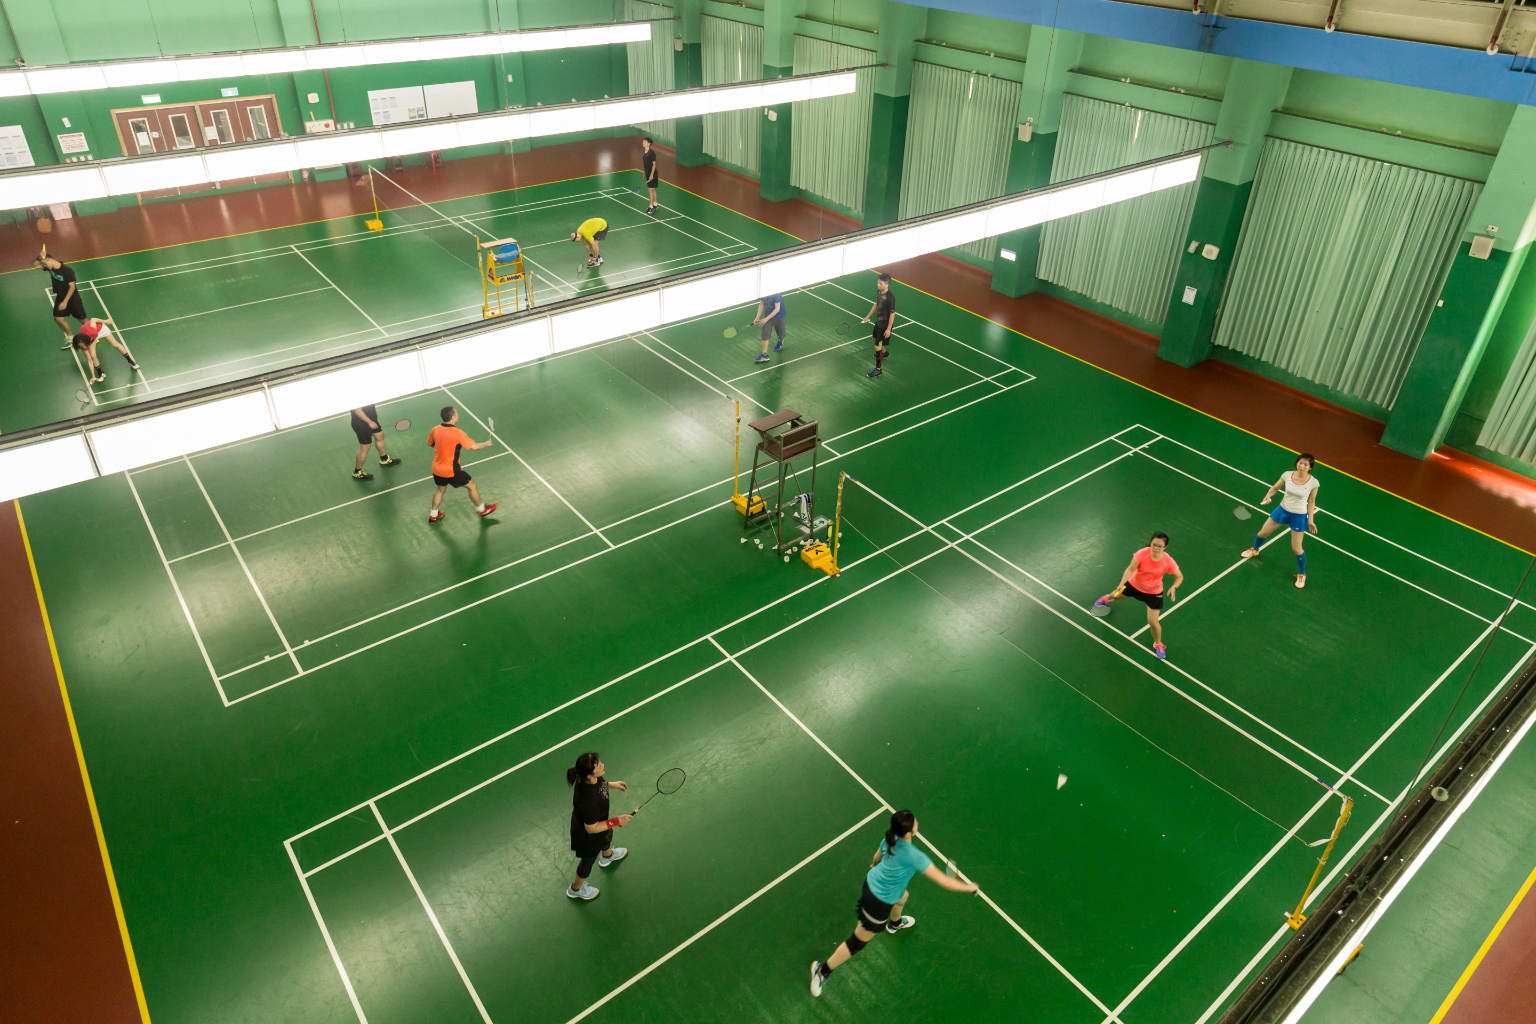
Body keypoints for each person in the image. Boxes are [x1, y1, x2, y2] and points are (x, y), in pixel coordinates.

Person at [810, 809, 977, 997]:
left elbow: (876, 858)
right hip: (878, 902)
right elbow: (945, 882)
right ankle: (822, 970)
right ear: (909, 832)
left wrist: (876, 866)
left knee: (903, 896)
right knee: (856, 942)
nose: (917, 822)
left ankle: (895, 923)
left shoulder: (891, 838)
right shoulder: (915, 856)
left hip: (872, 883)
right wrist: (968, 887)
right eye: (915, 821)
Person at [1091, 531, 1184, 660]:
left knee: (1153, 622)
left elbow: (1179, 576)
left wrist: (1174, 587)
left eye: (1159, 546)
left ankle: (1158, 643)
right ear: (1151, 543)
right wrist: (1122, 583)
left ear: (1165, 547)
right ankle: (1106, 598)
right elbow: (1130, 569)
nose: (1156, 548)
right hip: (1134, 584)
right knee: (1117, 595)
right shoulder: (1143, 553)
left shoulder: (1167, 561)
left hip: (1153, 592)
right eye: (1154, 544)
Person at [1241, 453, 1320, 589]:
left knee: (1296, 548)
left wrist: (1310, 520)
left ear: (1310, 467)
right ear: (1297, 463)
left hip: (1298, 516)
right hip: (1282, 510)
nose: (1302, 466)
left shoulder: (1313, 483)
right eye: (1300, 463)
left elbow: (1312, 502)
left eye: (1306, 464)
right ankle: (1255, 549)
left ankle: (1302, 574)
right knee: (1263, 533)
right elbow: (1275, 488)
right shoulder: (1287, 475)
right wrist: (1268, 496)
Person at [566, 751, 631, 901]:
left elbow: (599, 784)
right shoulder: (588, 800)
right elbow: (591, 828)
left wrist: (610, 785)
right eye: (599, 766)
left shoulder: (588, 778)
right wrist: (616, 821)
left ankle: (607, 856)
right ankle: (576, 889)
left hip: (598, 821)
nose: (603, 765)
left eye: (600, 762)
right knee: (588, 861)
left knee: (606, 834)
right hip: (587, 834)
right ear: (589, 775)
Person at [426, 405, 497, 522]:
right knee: (472, 486)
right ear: (453, 417)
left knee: (440, 490)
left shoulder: (435, 429)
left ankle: (433, 515)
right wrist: (486, 444)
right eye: (456, 413)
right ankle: (482, 510)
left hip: (437, 468)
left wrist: (442, 448)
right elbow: (474, 447)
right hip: (451, 470)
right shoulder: (458, 433)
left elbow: (431, 443)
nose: (458, 414)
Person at [36, 250, 87, 348]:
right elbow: (34, 265)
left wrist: (65, 302)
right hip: (61, 296)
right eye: (43, 264)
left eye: (45, 264)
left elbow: (72, 287)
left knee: (82, 319)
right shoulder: (49, 267)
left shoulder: (67, 270)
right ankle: (71, 338)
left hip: (72, 299)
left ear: (51, 260)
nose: (44, 266)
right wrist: (40, 257)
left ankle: (92, 336)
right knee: (58, 319)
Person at [71, 317, 138, 384]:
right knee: (92, 355)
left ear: (86, 341)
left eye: (84, 345)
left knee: (115, 344)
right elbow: (89, 360)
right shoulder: (81, 342)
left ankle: (131, 361)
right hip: (89, 337)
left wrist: (106, 321)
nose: (83, 347)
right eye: (81, 346)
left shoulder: (92, 333)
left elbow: (93, 319)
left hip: (100, 329)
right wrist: (93, 376)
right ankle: (100, 373)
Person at [349, 405, 401, 481]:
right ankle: (357, 472)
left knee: (380, 436)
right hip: (361, 423)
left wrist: (374, 414)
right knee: (365, 447)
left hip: (371, 420)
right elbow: (358, 411)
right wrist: (370, 422)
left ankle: (384, 459)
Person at [860, 272, 896, 377]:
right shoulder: (879, 292)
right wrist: (868, 316)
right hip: (879, 322)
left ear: (887, 284)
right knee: (874, 339)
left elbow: (892, 314)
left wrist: (888, 329)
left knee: (877, 346)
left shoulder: (890, 298)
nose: (878, 285)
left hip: (884, 326)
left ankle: (878, 370)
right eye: (878, 282)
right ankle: (884, 353)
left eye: (881, 283)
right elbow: (876, 304)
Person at [753, 292, 786, 363]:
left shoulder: (777, 293)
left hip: (779, 316)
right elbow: (762, 304)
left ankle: (780, 341)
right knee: (765, 333)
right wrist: (757, 317)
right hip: (768, 315)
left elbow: (777, 309)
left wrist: (766, 319)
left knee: (781, 335)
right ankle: (765, 355)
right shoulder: (762, 293)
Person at [641, 137, 660, 216]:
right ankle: (655, 205)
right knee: (653, 190)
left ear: (649, 144)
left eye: (645, 142)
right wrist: (645, 172)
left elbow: (654, 164)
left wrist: (651, 175)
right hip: (648, 174)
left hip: (653, 174)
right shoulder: (644, 152)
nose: (643, 143)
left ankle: (650, 207)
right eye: (643, 141)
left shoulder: (652, 153)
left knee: (650, 190)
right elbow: (646, 164)